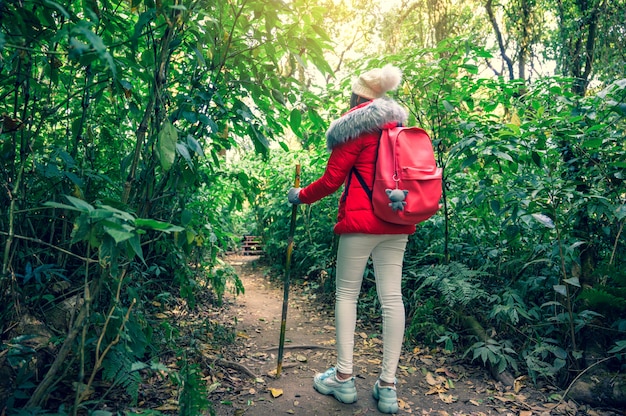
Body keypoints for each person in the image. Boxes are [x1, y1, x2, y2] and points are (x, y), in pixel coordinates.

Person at [287, 64, 414, 414]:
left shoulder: (354, 129)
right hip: (397, 220)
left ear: (359, 96)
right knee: (392, 299)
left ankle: (343, 379)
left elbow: (331, 181)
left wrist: (299, 195)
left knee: (347, 295)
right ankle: (387, 387)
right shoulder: (399, 129)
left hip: (360, 222)